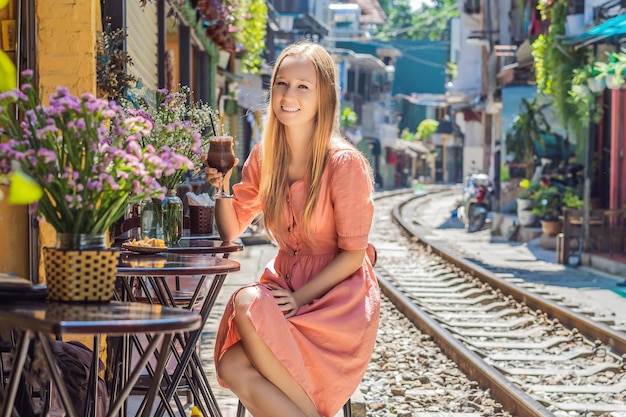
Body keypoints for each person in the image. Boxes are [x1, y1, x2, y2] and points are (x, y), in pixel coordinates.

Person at [205, 40, 380, 417]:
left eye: (303, 86)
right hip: (286, 289)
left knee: (246, 301)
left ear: (324, 97)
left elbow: (353, 256)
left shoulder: (344, 163)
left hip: (334, 301)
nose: (289, 94)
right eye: (282, 84)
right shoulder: (265, 156)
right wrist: (220, 187)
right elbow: (232, 230)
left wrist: (301, 299)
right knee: (231, 365)